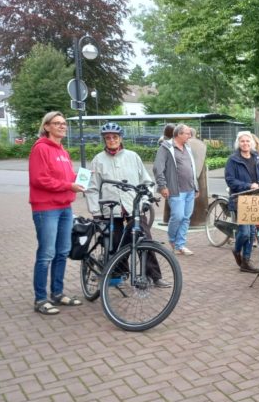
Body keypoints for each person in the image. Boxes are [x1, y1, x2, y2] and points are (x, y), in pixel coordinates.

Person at [85, 123, 170, 288]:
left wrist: (146, 201)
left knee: (144, 239)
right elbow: (92, 188)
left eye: (115, 137)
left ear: (120, 138)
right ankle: (120, 273)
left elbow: (146, 182)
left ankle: (154, 276)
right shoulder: (98, 160)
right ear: (104, 139)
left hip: (134, 206)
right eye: (108, 138)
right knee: (115, 242)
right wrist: (95, 211)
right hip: (110, 208)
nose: (111, 140)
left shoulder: (133, 156)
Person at [28, 111, 86, 315]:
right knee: (46, 253)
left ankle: (58, 294)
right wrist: (69, 185)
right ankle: (40, 299)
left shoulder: (63, 151)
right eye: (57, 123)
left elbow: (68, 176)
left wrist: (81, 178)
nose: (62, 126)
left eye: (64, 123)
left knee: (62, 252)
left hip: (64, 207)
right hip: (46, 208)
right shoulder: (40, 149)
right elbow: (39, 180)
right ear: (47, 127)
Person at [225, 131, 259, 273]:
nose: (245, 143)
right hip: (241, 198)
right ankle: (236, 250)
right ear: (238, 143)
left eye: (248, 141)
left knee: (253, 231)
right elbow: (230, 180)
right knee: (245, 232)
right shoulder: (233, 160)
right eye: (242, 141)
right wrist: (248, 185)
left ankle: (246, 261)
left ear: (252, 143)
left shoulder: (257, 157)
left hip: (256, 198)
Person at [153, 123, 199, 256]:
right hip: (175, 190)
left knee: (186, 218)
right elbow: (157, 168)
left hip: (190, 189)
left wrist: (196, 186)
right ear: (179, 134)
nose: (190, 135)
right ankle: (172, 239)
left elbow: (192, 167)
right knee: (177, 216)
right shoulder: (166, 148)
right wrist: (162, 186)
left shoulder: (187, 147)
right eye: (187, 133)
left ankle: (180, 245)